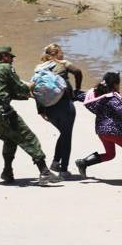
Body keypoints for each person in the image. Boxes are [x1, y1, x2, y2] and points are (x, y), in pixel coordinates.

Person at [0, 46, 60, 185]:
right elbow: (20, 87)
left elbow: (8, 92)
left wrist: (27, 96)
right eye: (11, 57)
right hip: (1, 110)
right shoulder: (6, 67)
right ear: (4, 56)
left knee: (10, 139)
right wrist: (33, 85)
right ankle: (44, 171)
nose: (12, 60)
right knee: (28, 137)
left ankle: (7, 171)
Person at [75, 72, 122, 184]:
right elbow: (121, 110)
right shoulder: (112, 97)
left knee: (110, 154)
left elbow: (82, 97)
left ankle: (84, 163)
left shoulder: (98, 95)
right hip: (113, 130)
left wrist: (73, 95)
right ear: (115, 84)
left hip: (101, 130)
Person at [35, 43, 83, 179]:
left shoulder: (39, 69)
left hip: (49, 108)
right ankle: (64, 170)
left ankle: (56, 163)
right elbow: (78, 72)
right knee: (67, 136)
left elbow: (37, 89)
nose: (63, 54)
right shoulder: (63, 63)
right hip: (65, 105)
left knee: (64, 132)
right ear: (56, 53)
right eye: (61, 52)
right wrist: (77, 89)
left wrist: (41, 110)